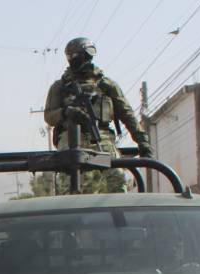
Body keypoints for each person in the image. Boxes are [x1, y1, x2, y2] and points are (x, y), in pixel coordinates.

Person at [43, 37, 153, 194]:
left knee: (118, 180)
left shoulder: (106, 85)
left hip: (101, 139)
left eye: (78, 56)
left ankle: (119, 209)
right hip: (71, 139)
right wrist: (66, 112)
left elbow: (126, 114)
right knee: (68, 185)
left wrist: (142, 140)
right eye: (72, 57)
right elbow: (49, 115)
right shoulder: (60, 87)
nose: (75, 60)